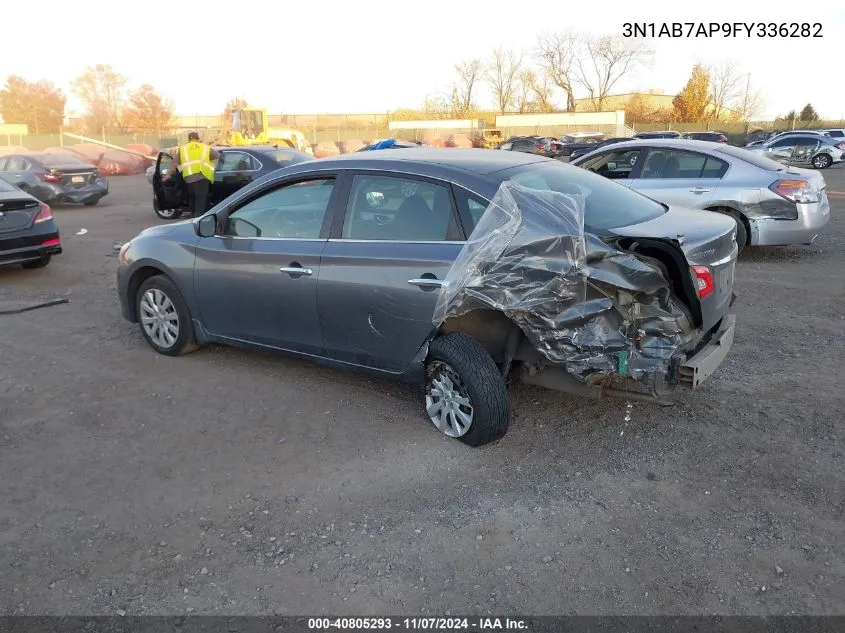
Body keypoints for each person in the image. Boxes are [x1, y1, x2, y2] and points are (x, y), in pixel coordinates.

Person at [163, 131, 219, 218]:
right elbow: (217, 155)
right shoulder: (204, 148)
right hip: (202, 178)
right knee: (200, 203)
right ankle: (198, 222)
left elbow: (175, 163)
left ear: (189, 139)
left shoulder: (183, 149)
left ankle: (193, 220)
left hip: (189, 180)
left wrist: (168, 175)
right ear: (198, 139)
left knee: (192, 202)